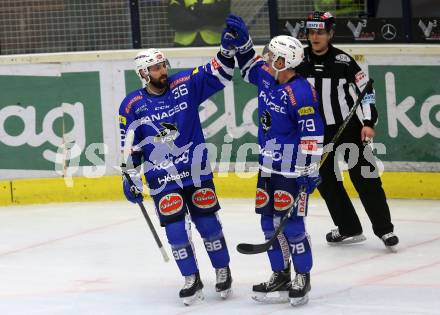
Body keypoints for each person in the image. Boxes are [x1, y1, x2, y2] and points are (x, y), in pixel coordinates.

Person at [118, 29, 237, 305]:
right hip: (162, 178)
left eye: (163, 65)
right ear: (143, 73)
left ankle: (222, 269)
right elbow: (130, 147)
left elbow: (218, 73)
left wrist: (227, 51)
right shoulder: (131, 105)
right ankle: (191, 278)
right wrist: (130, 177)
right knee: (175, 232)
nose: (163, 70)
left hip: (195, 171)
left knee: (208, 225)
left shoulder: (185, 83)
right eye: (156, 67)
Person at [224, 15, 324, 306]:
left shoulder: (300, 92)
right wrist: (241, 40)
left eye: (272, 56)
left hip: (292, 171)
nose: (266, 59)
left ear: (284, 62)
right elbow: (247, 65)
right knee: (269, 224)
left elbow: (312, 133)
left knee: (292, 226)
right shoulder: (269, 75)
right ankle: (280, 274)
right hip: (267, 167)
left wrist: (310, 168)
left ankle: (302, 277)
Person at [295, 11, 399, 250]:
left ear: (330, 33)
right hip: (315, 132)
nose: (315, 36)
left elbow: (366, 91)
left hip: (348, 128)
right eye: (311, 32)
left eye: (320, 32)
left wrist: (368, 123)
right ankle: (348, 228)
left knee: (365, 177)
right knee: (326, 181)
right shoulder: (299, 61)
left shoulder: (344, 61)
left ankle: (386, 230)